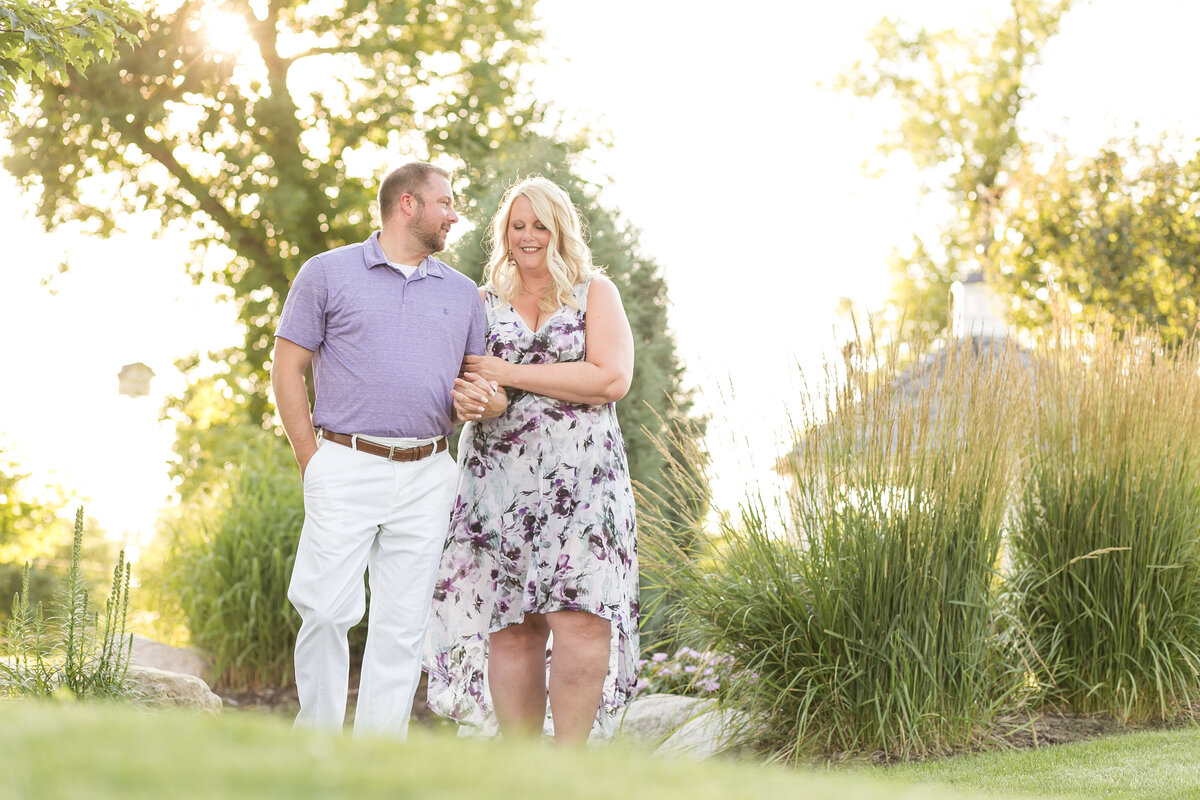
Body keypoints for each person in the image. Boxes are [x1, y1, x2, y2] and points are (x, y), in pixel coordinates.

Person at [271, 161, 504, 739]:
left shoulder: (462, 293)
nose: (454, 213)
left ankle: (377, 757)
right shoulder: (327, 273)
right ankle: (317, 748)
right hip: (345, 463)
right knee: (325, 610)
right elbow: (287, 368)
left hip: (428, 470)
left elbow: (475, 385)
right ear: (408, 204)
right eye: (445, 202)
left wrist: (485, 403)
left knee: (401, 625)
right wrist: (312, 460)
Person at [425, 176, 639, 745]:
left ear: (560, 229)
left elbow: (610, 379)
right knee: (512, 625)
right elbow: (479, 388)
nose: (527, 236)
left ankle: (569, 769)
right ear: (503, 234)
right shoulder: (480, 302)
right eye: (516, 226)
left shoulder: (596, 294)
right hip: (498, 478)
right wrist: (477, 395)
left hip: (585, 478)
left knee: (580, 619)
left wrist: (508, 373)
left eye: (539, 224)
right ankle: (520, 769)